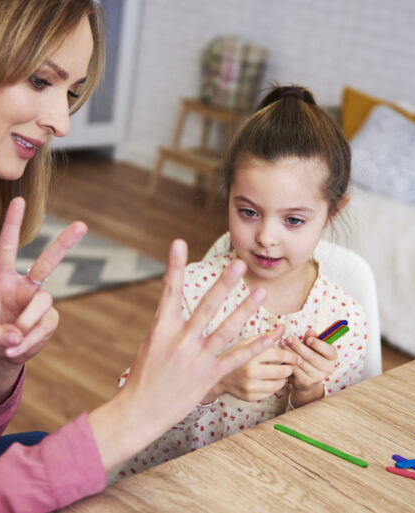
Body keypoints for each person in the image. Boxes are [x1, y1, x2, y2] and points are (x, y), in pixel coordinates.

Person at [0, 1, 279, 511]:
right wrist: (132, 417)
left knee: (37, 449)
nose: (62, 121)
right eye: (41, 80)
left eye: (71, 92)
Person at [111, 85, 367, 481]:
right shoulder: (197, 290)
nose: (266, 236)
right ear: (229, 195)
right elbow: (130, 404)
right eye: (248, 212)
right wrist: (216, 380)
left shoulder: (344, 319)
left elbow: (325, 453)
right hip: (169, 482)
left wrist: (308, 393)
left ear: (333, 212)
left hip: (267, 487)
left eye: (293, 220)